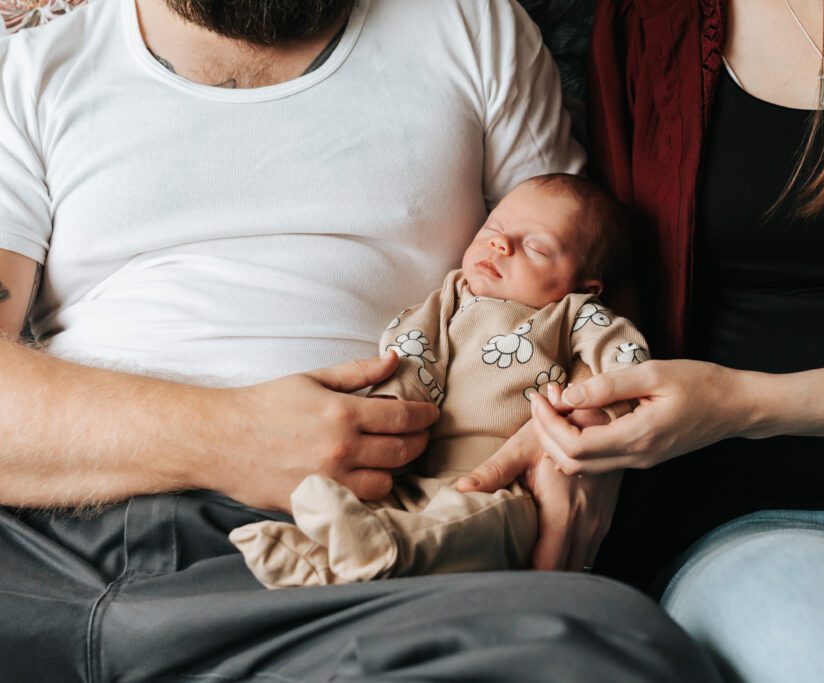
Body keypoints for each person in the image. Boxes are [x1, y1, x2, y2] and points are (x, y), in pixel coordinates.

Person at [0, 0, 720, 680]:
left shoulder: (470, 26)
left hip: (353, 556)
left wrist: (584, 433)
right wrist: (223, 434)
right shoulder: (37, 68)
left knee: (611, 644)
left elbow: (582, 269)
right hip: (40, 546)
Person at [459, 0, 824, 681]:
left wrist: (742, 400)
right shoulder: (647, 21)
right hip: (766, 532)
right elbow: (611, 274)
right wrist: (577, 413)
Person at [230, 173, 650, 588]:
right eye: (493, 229)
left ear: (585, 287)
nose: (500, 244)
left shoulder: (572, 315)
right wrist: (389, 417)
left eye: (536, 247)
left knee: (483, 524)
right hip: (415, 471)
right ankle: (319, 560)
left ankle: (386, 550)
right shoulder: (451, 297)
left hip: (508, 482)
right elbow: (410, 356)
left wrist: (593, 420)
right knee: (379, 508)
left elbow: (626, 364)